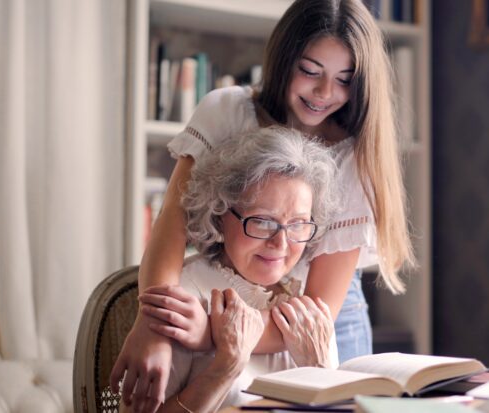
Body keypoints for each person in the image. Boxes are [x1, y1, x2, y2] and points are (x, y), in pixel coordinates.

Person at [111, 0, 416, 411]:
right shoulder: (227, 111)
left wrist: (209, 334)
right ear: (283, 59)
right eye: (310, 71)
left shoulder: (354, 157)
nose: (326, 93)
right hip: (225, 295)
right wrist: (155, 324)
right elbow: (172, 222)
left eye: (345, 79)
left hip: (317, 315)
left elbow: (320, 306)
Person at [120, 127, 339, 412]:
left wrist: (320, 371)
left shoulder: (308, 307)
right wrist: (224, 369)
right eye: (262, 221)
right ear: (220, 214)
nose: (281, 243)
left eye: (298, 223)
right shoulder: (184, 298)